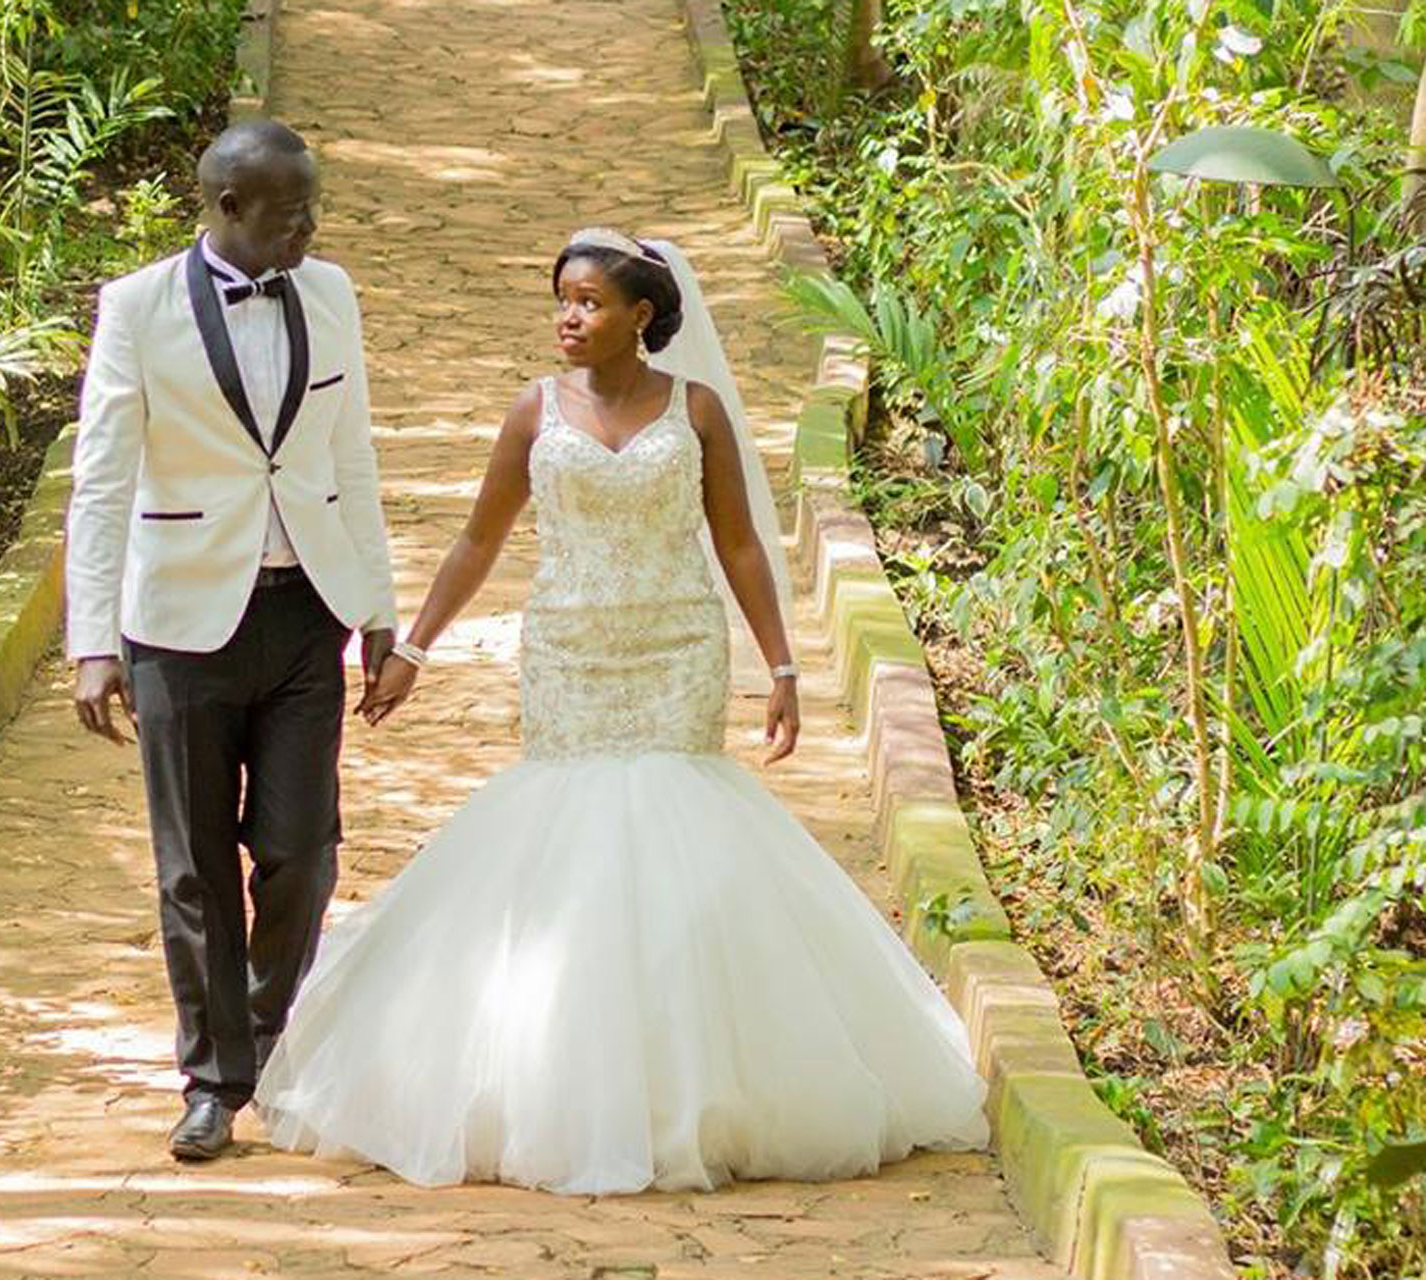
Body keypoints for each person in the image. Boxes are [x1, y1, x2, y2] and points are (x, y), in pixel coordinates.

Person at [252, 229, 991, 1194]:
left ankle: (695, 1082)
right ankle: (562, 1075)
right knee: (570, 830)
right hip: (567, 646)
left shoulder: (698, 412)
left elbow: (738, 545)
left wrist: (783, 667)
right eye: (562, 299)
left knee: (674, 827)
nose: (569, 316)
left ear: (642, 317)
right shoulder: (533, 413)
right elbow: (481, 538)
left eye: (591, 301)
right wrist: (416, 648)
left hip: (677, 643)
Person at [65, 120, 396, 1163]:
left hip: (306, 611)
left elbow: (353, 454)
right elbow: (104, 479)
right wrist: (91, 641)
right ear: (228, 208)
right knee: (196, 866)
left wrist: (379, 609)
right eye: (293, 210)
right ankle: (214, 1081)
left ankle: (259, 1032)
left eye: (314, 206)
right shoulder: (136, 309)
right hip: (178, 623)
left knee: (300, 851)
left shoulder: (330, 292)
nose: (311, 225)